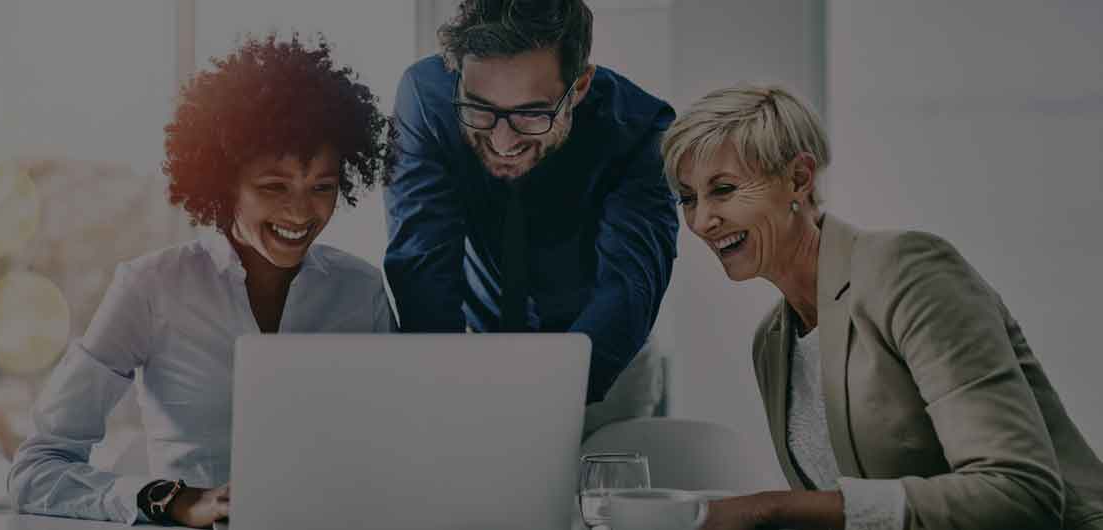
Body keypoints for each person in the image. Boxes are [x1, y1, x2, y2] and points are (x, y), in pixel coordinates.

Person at [663, 84, 1103, 530]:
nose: (701, 221)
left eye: (723, 189)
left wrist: (771, 509)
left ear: (799, 178)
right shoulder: (772, 343)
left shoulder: (907, 271)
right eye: (688, 198)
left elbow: (1019, 492)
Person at [7, 34, 395, 528]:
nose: (301, 211)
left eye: (323, 186)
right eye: (273, 186)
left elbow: (395, 447)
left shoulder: (360, 290)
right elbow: (36, 470)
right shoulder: (150, 288)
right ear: (223, 182)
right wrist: (176, 500)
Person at [383, 0, 679, 409]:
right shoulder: (427, 97)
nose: (503, 143)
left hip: (606, 363)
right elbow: (422, 263)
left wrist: (542, 404)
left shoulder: (643, 130)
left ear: (579, 86)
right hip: (470, 350)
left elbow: (628, 289)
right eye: (479, 108)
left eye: (532, 114)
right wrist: (442, 388)